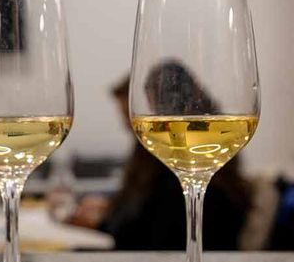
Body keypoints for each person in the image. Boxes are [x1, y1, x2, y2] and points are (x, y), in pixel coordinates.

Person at [80, 64, 254, 251]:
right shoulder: (213, 142)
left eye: (129, 115)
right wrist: (110, 208)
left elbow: (148, 233)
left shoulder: (174, 157)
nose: (127, 125)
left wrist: (97, 224)